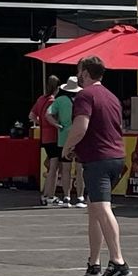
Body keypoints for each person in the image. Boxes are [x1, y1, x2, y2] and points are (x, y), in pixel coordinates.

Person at [62, 56, 130, 276]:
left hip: (98, 160)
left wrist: (67, 146)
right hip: (115, 157)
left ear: (85, 73)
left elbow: (81, 126)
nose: (78, 75)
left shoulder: (85, 95)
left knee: (102, 209)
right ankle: (94, 262)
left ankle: (118, 262)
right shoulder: (111, 97)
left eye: (79, 71)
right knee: (94, 211)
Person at [47, 76, 86, 208]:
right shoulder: (84, 100)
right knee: (80, 169)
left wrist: (57, 125)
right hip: (81, 137)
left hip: (64, 138)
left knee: (66, 169)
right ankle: (80, 197)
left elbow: (48, 114)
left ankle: (66, 197)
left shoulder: (59, 100)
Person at [29, 75, 62, 207]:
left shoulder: (41, 99)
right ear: (57, 87)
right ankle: (48, 195)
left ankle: (47, 195)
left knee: (52, 167)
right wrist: (55, 124)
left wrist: (40, 123)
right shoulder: (53, 101)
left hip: (44, 136)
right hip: (53, 136)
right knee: (54, 168)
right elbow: (51, 117)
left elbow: (31, 115)